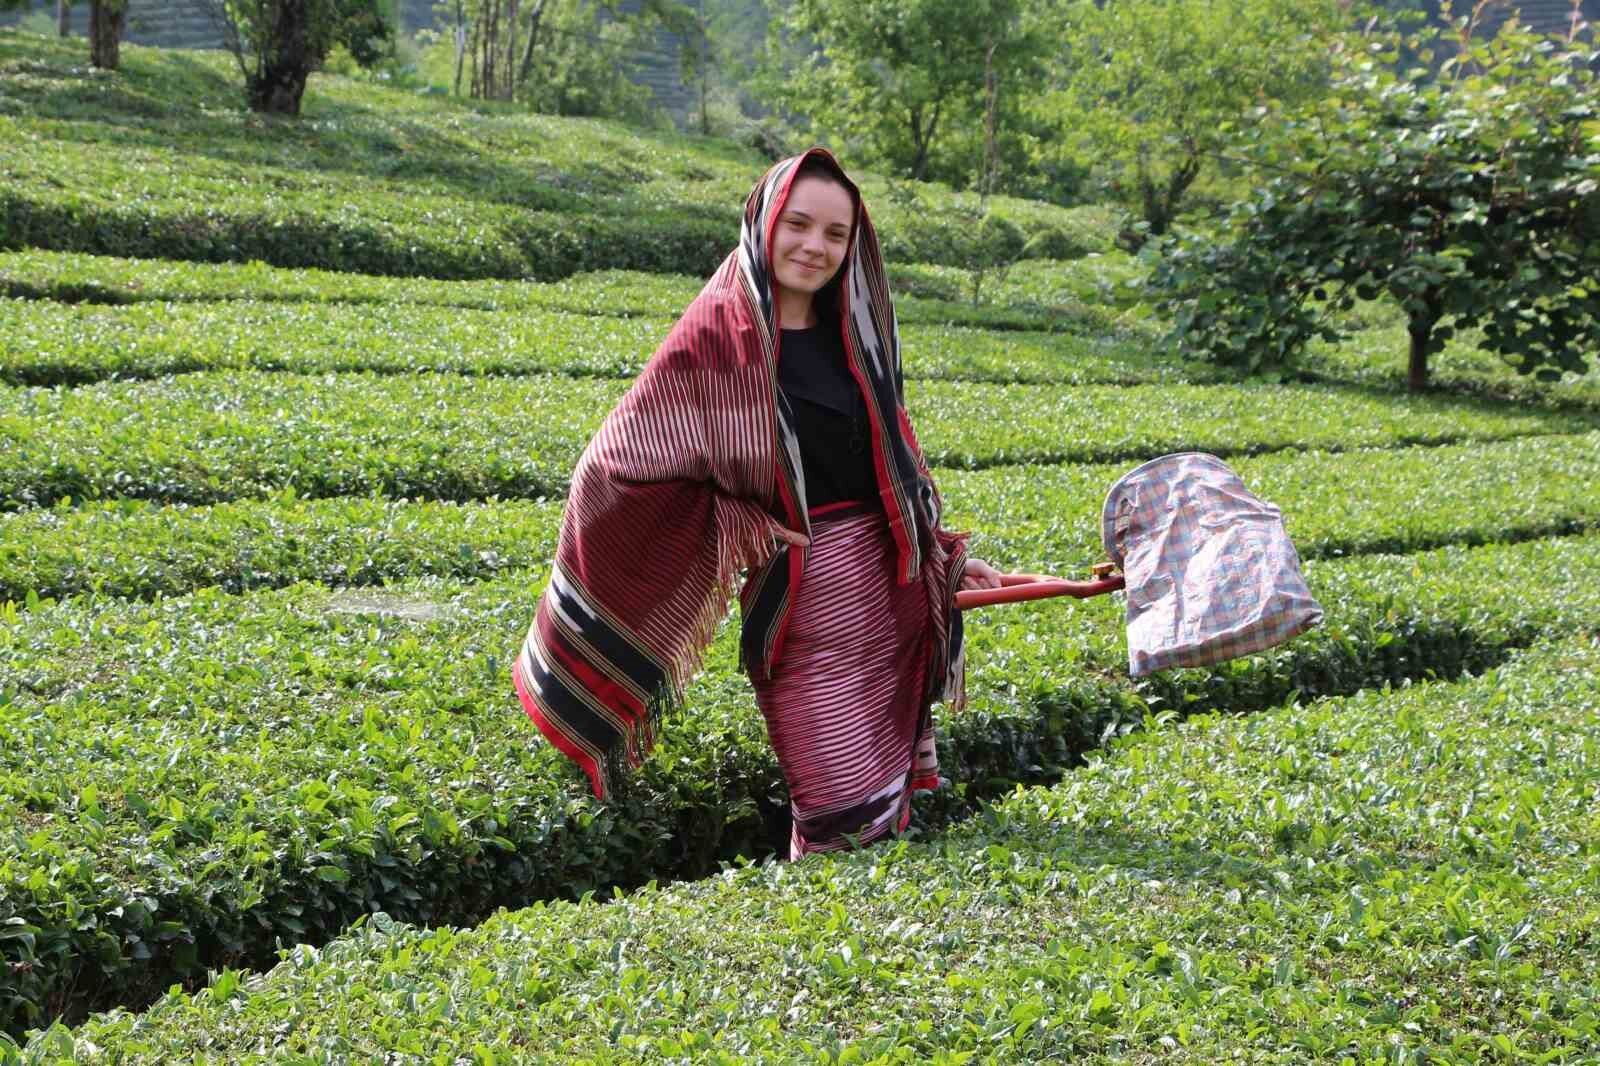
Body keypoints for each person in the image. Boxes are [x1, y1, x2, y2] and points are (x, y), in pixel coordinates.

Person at [513, 147, 1001, 860]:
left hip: (889, 598)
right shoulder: (717, 335)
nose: (816, 247)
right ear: (764, 222)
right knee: (835, 806)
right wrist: (740, 521)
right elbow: (614, 465)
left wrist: (948, 560)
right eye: (798, 225)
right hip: (801, 603)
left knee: (886, 808)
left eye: (836, 234)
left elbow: (892, 462)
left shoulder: (858, 335)